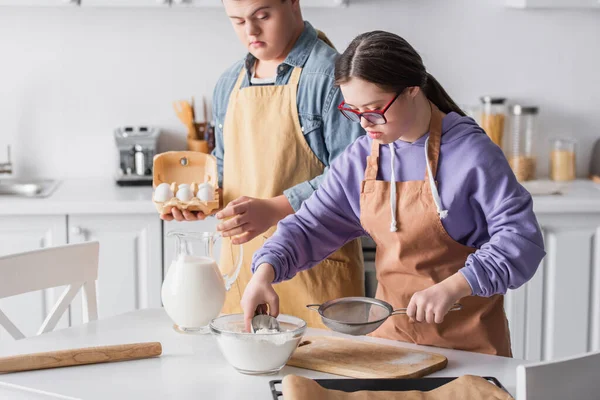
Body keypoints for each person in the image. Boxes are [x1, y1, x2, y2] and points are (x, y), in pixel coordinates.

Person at [240, 31, 546, 357]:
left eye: (373, 109)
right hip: (389, 346)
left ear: (412, 89)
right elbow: (310, 226)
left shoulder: (472, 154)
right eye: (354, 111)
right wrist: (265, 272)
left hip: (469, 349)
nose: (365, 124)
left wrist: (457, 285)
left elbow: (521, 240)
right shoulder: (362, 158)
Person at [160, 0, 365, 328]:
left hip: (314, 274)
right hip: (240, 276)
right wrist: (204, 201)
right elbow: (226, 169)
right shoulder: (229, 82)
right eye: (238, 21)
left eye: (262, 16)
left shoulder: (331, 76)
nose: (250, 31)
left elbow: (355, 180)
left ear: (293, 4)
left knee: (312, 377)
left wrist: (274, 208)